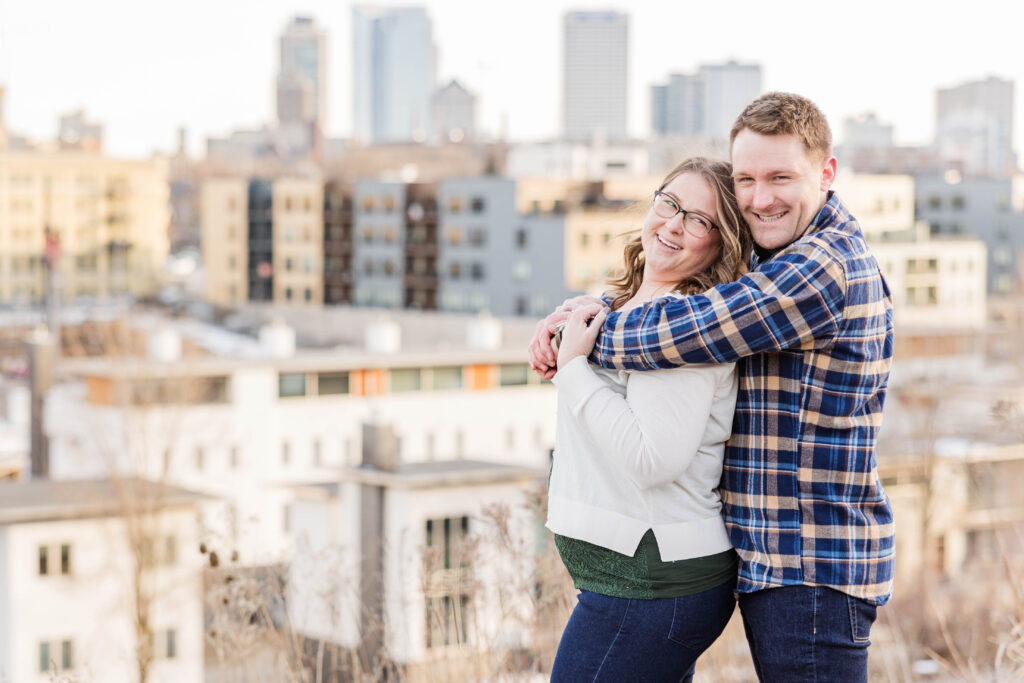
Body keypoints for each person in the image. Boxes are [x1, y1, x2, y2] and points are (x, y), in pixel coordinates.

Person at [530, 92, 895, 682]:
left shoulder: (821, 269)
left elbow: (690, 326)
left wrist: (579, 346)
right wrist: (588, 311)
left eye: (781, 177)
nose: (760, 197)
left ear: (827, 173)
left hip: (810, 569)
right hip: (776, 560)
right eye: (747, 179)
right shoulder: (779, 247)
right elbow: (672, 293)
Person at [546, 157, 752, 682]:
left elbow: (653, 458)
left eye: (700, 220)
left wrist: (572, 370)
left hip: (653, 586)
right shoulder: (632, 303)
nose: (675, 224)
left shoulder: (681, 322)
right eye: (670, 203)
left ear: (721, 243)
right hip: (634, 583)